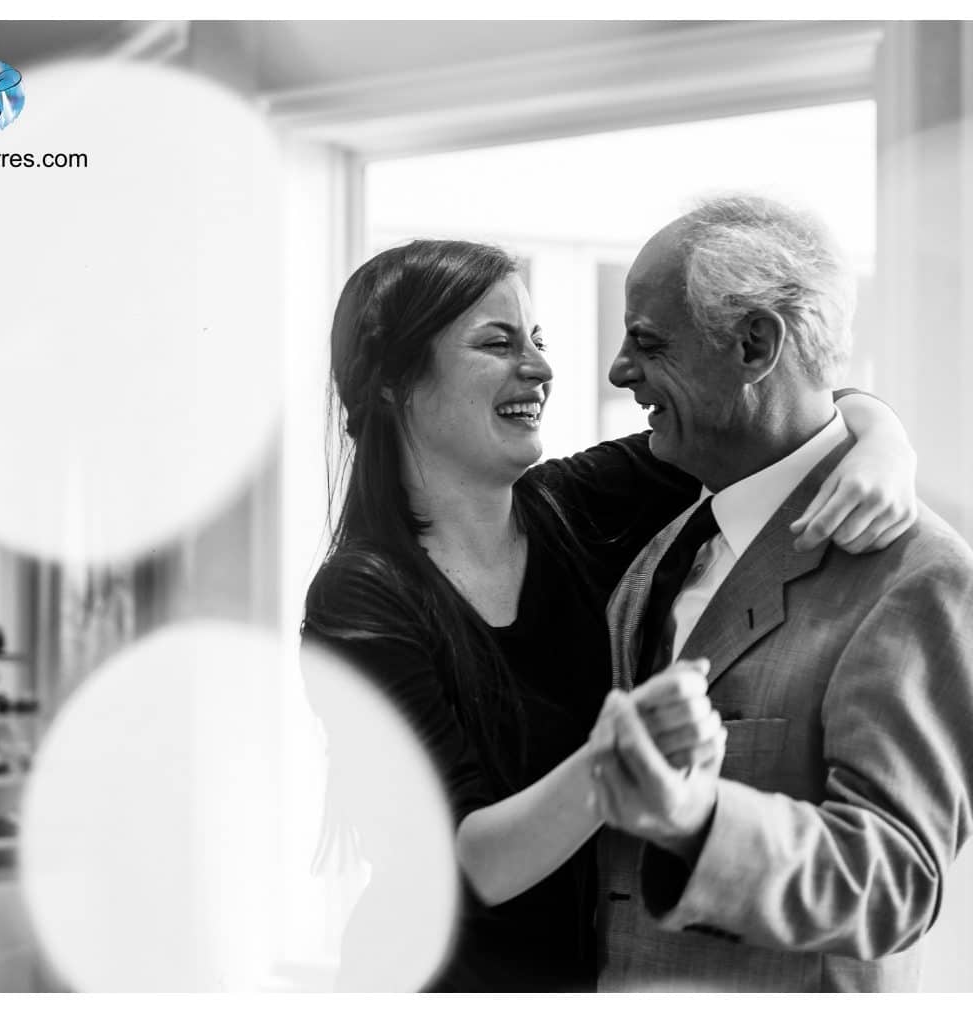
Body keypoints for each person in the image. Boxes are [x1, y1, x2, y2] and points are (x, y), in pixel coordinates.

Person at [298, 238, 921, 991]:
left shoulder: (580, 504)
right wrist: (619, 756)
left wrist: (883, 442)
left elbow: (767, 424)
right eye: (497, 343)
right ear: (394, 383)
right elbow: (469, 863)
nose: (539, 367)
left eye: (537, 339)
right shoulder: (360, 598)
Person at [588, 196, 973, 992]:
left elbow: (895, 882)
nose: (618, 370)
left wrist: (697, 820)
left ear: (755, 344)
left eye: (648, 340)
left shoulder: (921, 579)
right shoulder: (657, 544)